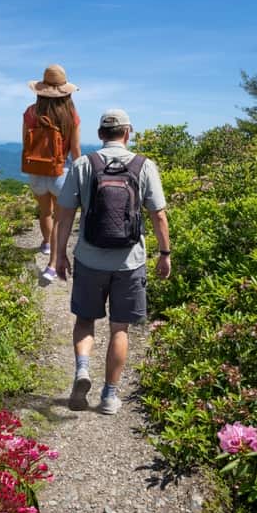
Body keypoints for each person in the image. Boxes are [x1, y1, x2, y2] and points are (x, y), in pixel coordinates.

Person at [54, 108, 171, 414]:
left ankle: (82, 369)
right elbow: (158, 215)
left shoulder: (83, 164)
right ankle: (109, 396)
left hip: (89, 259)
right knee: (120, 329)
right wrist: (164, 254)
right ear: (128, 133)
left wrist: (59, 255)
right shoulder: (144, 165)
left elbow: (64, 216)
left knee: (85, 320)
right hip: (129, 262)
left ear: (100, 134)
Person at [22, 64, 82, 282]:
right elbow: (75, 150)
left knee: (44, 211)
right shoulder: (70, 115)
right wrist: (80, 175)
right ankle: (52, 265)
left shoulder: (30, 112)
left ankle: (46, 244)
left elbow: (26, 144)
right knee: (59, 219)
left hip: (36, 171)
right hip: (60, 172)